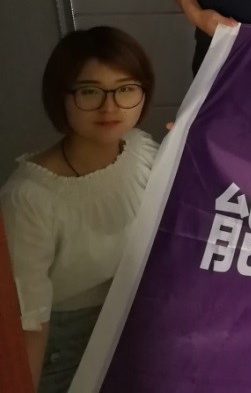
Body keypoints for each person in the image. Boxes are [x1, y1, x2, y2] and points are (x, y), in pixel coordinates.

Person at [0, 27, 158, 392]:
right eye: (89, 91)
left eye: (125, 89)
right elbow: (30, 324)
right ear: (61, 96)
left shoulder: (140, 149)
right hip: (67, 344)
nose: (110, 107)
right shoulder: (29, 199)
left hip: (138, 318)